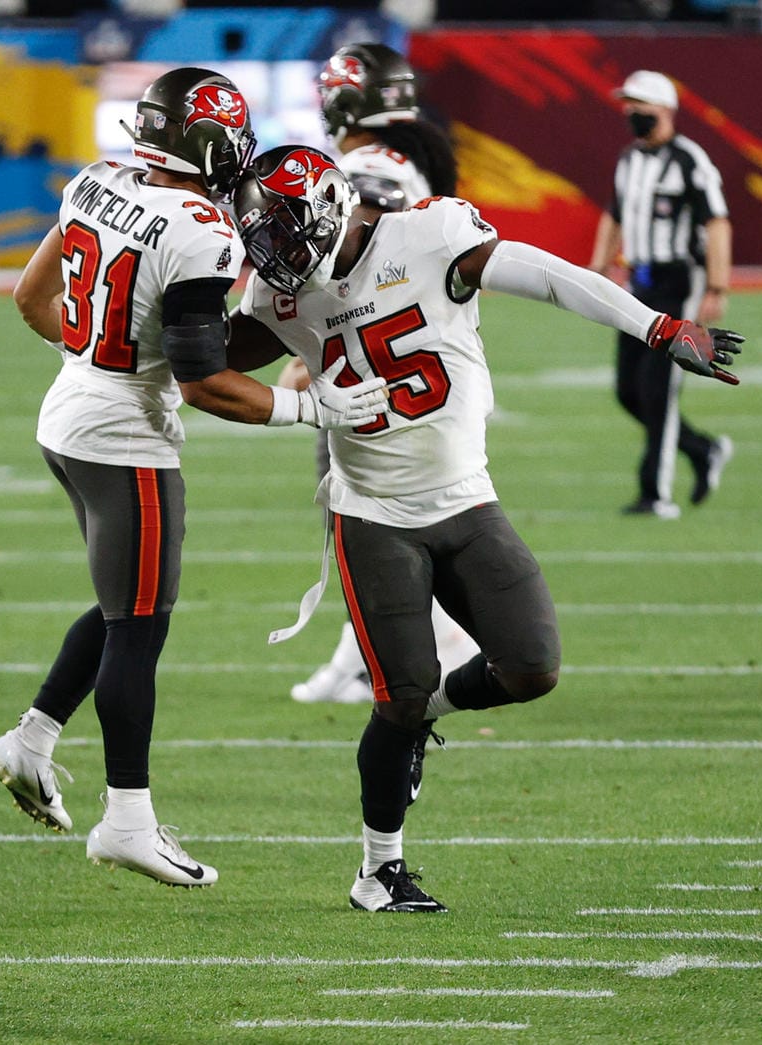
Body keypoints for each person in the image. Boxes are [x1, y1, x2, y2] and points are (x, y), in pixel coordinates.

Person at [229, 145, 741, 912]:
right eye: (261, 238)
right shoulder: (277, 298)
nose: (275, 255)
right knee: (395, 697)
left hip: (467, 501)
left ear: (334, 207)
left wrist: (656, 327)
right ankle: (378, 870)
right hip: (373, 515)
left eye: (285, 233)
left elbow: (547, 276)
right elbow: (205, 367)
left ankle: (426, 719)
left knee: (530, 667)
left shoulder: (428, 235)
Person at [0, 68, 388, 889]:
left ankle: (30, 739)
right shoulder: (201, 228)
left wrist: (105, 355)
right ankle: (126, 818)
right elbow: (205, 383)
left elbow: (32, 298)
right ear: (208, 138)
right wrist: (316, 411)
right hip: (123, 434)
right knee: (139, 623)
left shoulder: (92, 179)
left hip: (68, 410)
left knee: (121, 601)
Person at [287, 43, 482, 717]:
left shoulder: (364, 170)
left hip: (372, 373)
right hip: (417, 364)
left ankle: (428, 646)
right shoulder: (408, 161)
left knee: (364, 521)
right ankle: (362, 654)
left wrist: (310, 343)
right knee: (385, 522)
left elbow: (351, 268)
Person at [587, 69, 734, 520]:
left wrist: (716, 285)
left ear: (665, 109)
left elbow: (717, 222)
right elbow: (614, 214)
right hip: (640, 283)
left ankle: (656, 493)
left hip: (678, 284)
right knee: (628, 391)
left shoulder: (690, 160)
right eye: (628, 105)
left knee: (659, 390)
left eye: (640, 105)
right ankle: (702, 449)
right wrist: (597, 266)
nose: (631, 113)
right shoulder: (629, 160)